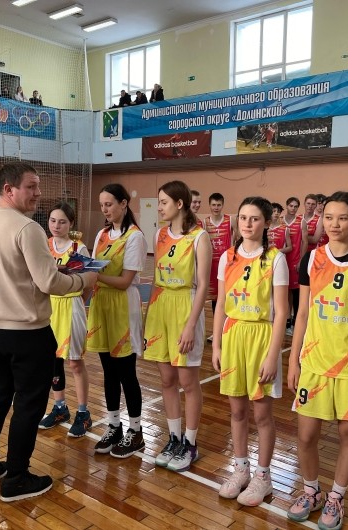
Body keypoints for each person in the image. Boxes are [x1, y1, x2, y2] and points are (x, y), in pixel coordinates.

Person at [0, 162, 96, 502]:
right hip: (26, 331)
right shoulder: (27, 228)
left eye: (38, 186)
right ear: (8, 189)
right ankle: (16, 477)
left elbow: (19, 271)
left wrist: (54, 272)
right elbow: (49, 283)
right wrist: (84, 279)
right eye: (31, 186)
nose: (38, 193)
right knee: (28, 404)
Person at [287, 191, 348, 529]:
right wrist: (293, 360)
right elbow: (303, 313)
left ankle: (337, 496)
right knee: (306, 435)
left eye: (342, 218)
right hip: (314, 361)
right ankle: (311, 491)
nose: (335, 224)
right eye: (329, 217)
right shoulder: (312, 258)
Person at [211, 196, 288, 506]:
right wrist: (216, 344)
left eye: (254, 218)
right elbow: (220, 304)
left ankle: (264, 476)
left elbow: (282, 312)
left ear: (266, 223)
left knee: (262, 413)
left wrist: (273, 355)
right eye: (243, 217)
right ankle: (241, 468)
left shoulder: (275, 259)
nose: (247, 223)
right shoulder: (227, 257)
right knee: (237, 410)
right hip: (233, 335)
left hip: (261, 336)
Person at [145, 181, 211, 472]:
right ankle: (173, 438)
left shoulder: (199, 237)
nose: (159, 207)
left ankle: (191, 443)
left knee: (188, 381)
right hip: (161, 307)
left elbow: (204, 285)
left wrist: (191, 325)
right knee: (166, 379)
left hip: (186, 306)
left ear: (179, 204)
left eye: (163, 202)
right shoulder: (159, 235)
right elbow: (156, 278)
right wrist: (148, 316)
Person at [87, 183, 147, 458]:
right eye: (102, 205)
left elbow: (124, 282)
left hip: (123, 306)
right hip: (101, 305)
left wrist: (95, 276)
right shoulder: (101, 234)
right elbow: (92, 268)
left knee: (126, 373)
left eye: (109, 204)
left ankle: (136, 431)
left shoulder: (135, 237)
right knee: (108, 371)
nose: (105, 209)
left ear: (124, 203)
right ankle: (114, 426)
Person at [38, 202, 93, 438]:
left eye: (62, 221)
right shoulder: (44, 245)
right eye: (53, 220)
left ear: (71, 224)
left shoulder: (79, 248)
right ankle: (60, 407)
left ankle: (83, 413)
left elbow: (89, 282)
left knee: (75, 362)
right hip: (49, 306)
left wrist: (79, 301)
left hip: (71, 305)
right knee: (53, 361)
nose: (56, 225)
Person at [204, 192, 237, 341]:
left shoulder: (230, 220)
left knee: (228, 297)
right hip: (212, 265)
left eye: (218, 205)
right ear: (209, 205)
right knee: (215, 299)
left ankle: (228, 328)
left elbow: (239, 238)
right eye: (213, 205)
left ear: (222, 205)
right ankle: (217, 331)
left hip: (227, 264)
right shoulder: (205, 222)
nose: (216, 207)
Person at [283, 196, 303, 335]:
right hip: (282, 260)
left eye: (296, 206)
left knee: (296, 293)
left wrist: (301, 260)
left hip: (295, 261)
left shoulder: (301, 222)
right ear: (287, 206)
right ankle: (286, 321)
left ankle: (296, 323)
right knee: (284, 292)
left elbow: (305, 242)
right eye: (291, 205)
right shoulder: (279, 221)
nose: (293, 208)